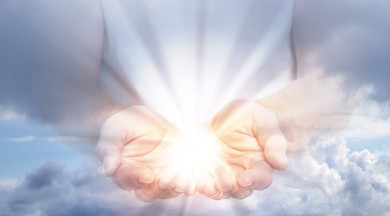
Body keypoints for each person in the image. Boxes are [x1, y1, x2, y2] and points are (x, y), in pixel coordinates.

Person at [25, 0, 358, 202]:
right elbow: (51, 73)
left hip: (295, 191)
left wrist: (279, 117)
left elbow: (345, 68)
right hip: (109, 193)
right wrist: (106, 119)